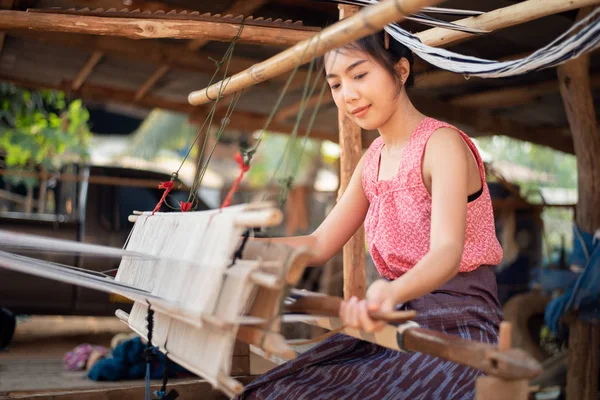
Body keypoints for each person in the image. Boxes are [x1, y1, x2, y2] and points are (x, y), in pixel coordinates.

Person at [236, 31, 504, 400]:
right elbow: (317, 244)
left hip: (458, 328)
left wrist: (392, 290)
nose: (348, 95)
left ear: (402, 70)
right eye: (335, 84)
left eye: (359, 75)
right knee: (271, 391)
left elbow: (447, 251)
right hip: (395, 322)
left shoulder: (441, 145)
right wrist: (236, 247)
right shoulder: (372, 159)